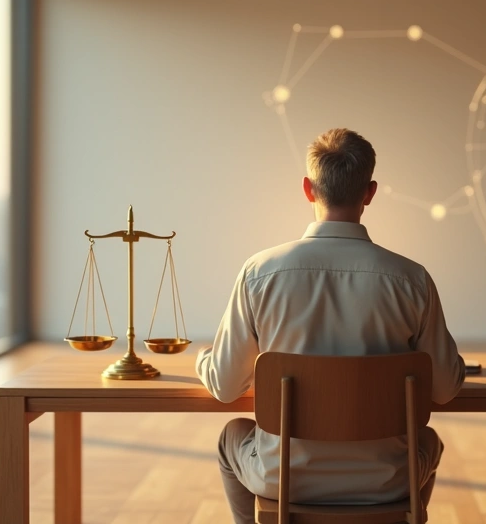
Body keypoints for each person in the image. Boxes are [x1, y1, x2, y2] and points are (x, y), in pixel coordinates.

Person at [195, 127, 465, 524]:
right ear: (369, 193)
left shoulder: (259, 273)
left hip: (284, 478)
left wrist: (204, 360)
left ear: (308, 189)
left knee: (230, 436)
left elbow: (223, 386)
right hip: (385, 480)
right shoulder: (411, 279)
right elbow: (444, 389)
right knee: (428, 441)